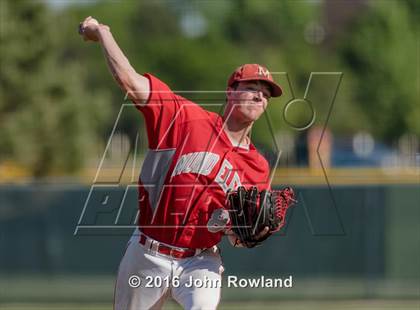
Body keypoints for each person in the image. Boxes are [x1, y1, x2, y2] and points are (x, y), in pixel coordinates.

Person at [79, 16, 283, 310]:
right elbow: (129, 80)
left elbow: (239, 236)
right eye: (252, 87)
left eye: (265, 94)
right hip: (148, 254)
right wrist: (102, 32)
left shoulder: (258, 167)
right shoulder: (185, 118)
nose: (260, 96)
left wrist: (241, 232)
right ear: (230, 91)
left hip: (201, 261)